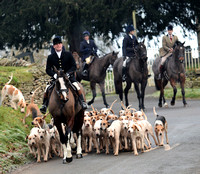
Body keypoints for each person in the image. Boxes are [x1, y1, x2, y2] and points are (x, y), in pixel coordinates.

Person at [40, 36, 88, 114]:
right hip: (56, 78)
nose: (58, 45)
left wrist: (68, 74)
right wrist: (54, 75)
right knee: (47, 88)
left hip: (68, 77)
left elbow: (74, 66)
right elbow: (48, 69)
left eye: (59, 43)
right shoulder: (50, 57)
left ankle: (82, 102)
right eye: (56, 44)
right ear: (54, 46)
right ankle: (44, 105)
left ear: (62, 45)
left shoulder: (68, 54)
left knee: (76, 86)